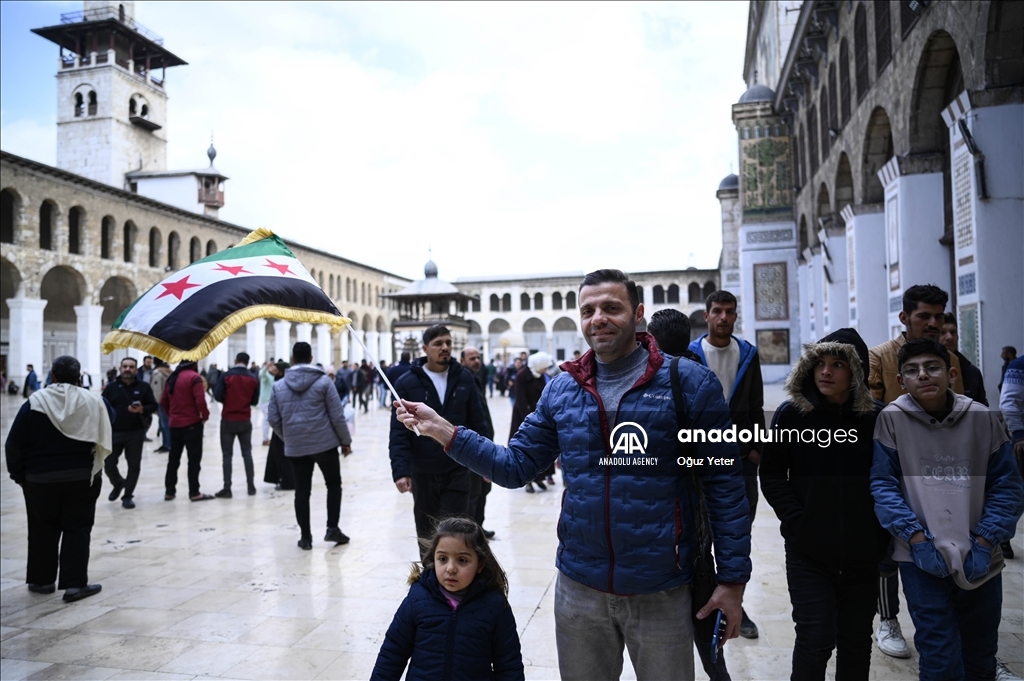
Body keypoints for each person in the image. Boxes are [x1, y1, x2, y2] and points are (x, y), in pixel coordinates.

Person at [394, 270, 751, 680]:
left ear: (638, 315)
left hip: (661, 589)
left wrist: (733, 580)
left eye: (611, 308)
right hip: (580, 588)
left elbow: (724, 486)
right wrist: (444, 430)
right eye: (588, 310)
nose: (598, 318)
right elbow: (515, 466)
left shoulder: (688, 383)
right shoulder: (564, 390)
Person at [871, 338, 1024, 681]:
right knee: (939, 654)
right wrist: (915, 537)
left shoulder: (982, 419)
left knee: (980, 653)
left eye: (932, 367)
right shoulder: (892, 420)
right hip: (919, 557)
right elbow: (883, 486)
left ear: (952, 374)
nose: (923, 375)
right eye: (912, 370)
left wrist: (986, 540)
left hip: (981, 556)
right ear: (901, 381)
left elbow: (1007, 486)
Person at [760, 329, 891, 680]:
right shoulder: (792, 416)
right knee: (815, 639)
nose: (826, 372)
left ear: (857, 372)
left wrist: (879, 533)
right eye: (819, 363)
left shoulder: (877, 418)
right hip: (809, 553)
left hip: (863, 554)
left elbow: (894, 479)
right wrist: (797, 521)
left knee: (856, 640)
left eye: (837, 364)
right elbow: (771, 473)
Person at [866, 283, 965, 658]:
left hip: (945, 474)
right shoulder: (879, 357)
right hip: (896, 469)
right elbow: (872, 415)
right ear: (905, 318)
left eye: (939, 317)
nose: (934, 323)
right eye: (925, 316)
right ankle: (888, 619)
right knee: (889, 554)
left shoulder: (952, 360)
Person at [5, 355, 112, 602]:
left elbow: (14, 444)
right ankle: (74, 585)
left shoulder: (34, 403)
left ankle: (41, 581)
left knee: (42, 528)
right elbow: (111, 419)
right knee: (78, 528)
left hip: (39, 480)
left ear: (52, 376)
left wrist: (19, 475)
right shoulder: (94, 401)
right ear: (79, 378)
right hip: (81, 479)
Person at [688, 290, 764, 640]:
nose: (723, 318)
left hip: (740, 461)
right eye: (717, 311)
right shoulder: (691, 355)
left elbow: (756, 403)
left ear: (736, 316)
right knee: (701, 531)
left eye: (729, 312)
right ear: (706, 316)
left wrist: (755, 448)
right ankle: (702, 602)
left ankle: (736, 603)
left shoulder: (748, 354)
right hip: (702, 458)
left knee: (737, 532)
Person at [370, 516, 524, 681]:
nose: (450, 568)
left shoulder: (494, 606)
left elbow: (509, 665)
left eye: (462, 560)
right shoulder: (418, 599)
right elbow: (393, 653)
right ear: (433, 559)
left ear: (480, 565)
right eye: (442, 559)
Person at [389, 326, 491, 553]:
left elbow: (478, 421)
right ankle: (429, 581)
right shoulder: (406, 383)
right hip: (423, 471)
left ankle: (454, 583)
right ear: (425, 349)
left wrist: (487, 461)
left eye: (448, 342)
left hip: (458, 468)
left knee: (456, 530)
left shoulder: (464, 378)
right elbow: (398, 433)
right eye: (438, 343)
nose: (444, 348)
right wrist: (400, 470)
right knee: (427, 533)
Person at [268, 342, 352, 550]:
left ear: (293, 358)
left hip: (296, 447)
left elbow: (272, 418)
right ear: (311, 357)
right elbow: (337, 415)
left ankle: (305, 537)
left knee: (301, 491)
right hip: (325, 445)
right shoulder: (324, 382)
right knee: (333, 484)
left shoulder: (278, 385)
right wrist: (345, 441)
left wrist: (288, 437)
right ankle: (332, 528)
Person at [101, 357, 158, 509]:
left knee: (134, 466)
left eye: (131, 367)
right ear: (120, 368)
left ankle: (128, 495)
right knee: (109, 462)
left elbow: (153, 405)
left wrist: (142, 409)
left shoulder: (144, 387)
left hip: (136, 432)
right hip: (115, 432)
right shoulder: (111, 388)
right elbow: (102, 408)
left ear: (136, 369)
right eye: (125, 366)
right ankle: (118, 483)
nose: (128, 369)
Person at [161, 360, 212, 502]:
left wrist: (172, 415)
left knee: (173, 459)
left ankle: (169, 491)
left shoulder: (171, 378)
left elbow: (163, 401)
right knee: (193, 460)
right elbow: (200, 400)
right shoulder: (194, 377)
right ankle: (194, 492)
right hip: (192, 424)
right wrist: (205, 416)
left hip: (175, 425)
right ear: (194, 364)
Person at [213, 352, 260, 498]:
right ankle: (251, 486)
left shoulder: (226, 376)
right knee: (247, 453)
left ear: (235, 360)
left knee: (227, 455)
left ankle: (227, 488)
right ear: (247, 362)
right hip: (245, 419)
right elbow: (254, 401)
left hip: (228, 419)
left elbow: (217, 395)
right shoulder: (253, 378)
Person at [460, 346, 496, 538]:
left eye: (478, 357)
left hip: (483, 444)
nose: (476, 361)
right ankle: (471, 533)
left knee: (483, 490)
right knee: (473, 493)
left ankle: (478, 528)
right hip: (471, 447)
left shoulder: (476, 379)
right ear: (462, 361)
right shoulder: (464, 382)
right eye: (472, 358)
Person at [511, 351, 553, 493]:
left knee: (539, 449)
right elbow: (520, 401)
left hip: (539, 417)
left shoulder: (540, 376)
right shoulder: (522, 376)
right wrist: (529, 421)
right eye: (544, 366)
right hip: (524, 418)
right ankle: (528, 481)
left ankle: (539, 477)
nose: (544, 369)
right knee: (526, 449)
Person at [999, 354, 1024, 560]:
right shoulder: (1019, 365)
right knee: (1017, 494)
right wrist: (1019, 434)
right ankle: (1003, 538)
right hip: (1022, 441)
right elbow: (1009, 402)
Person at [939, 312, 988, 405]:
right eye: (943, 332)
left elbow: (982, 409)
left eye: (953, 332)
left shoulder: (972, 372)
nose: (950, 337)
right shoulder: (924, 371)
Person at [263, 361, 295, 491]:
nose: (273, 372)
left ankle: (287, 481)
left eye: (275, 370)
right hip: (289, 424)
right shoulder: (290, 383)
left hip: (281, 426)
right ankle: (284, 479)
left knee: (283, 455)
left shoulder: (279, 385)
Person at [150, 359, 172, 453]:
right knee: (165, 424)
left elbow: (157, 390)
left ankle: (167, 445)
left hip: (162, 403)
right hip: (168, 402)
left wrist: (156, 404)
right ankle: (167, 443)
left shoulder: (157, 373)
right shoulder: (169, 372)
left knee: (164, 425)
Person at [258, 360, 278, 446]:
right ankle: (265, 439)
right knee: (266, 420)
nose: (273, 369)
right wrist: (266, 367)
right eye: (271, 367)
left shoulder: (273, 377)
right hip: (266, 401)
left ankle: (268, 438)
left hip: (271, 401)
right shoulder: (266, 377)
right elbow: (262, 374)